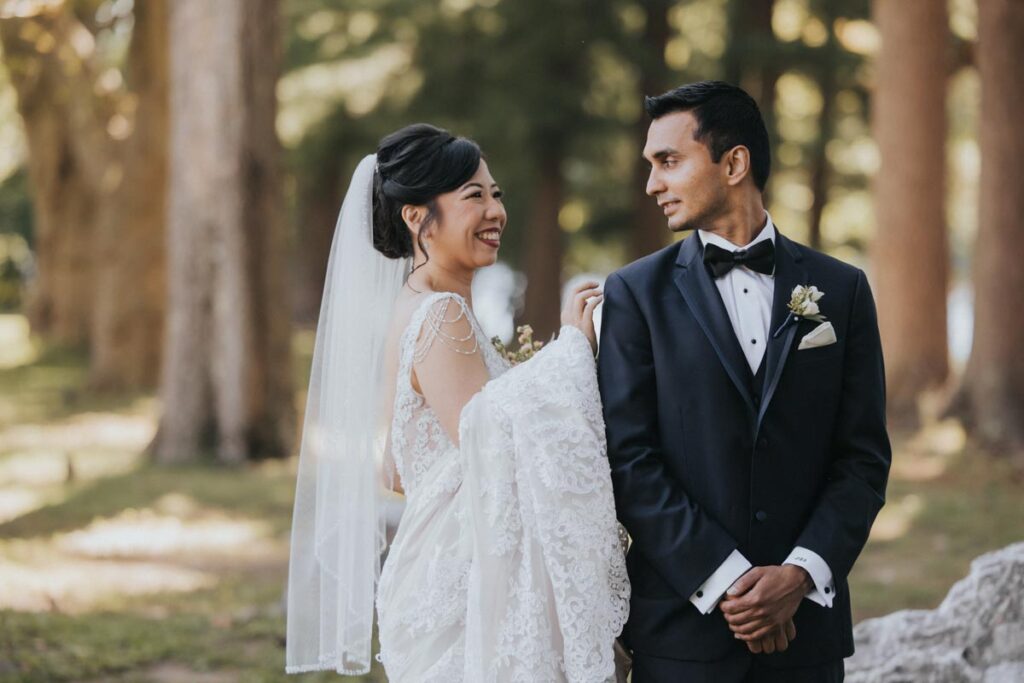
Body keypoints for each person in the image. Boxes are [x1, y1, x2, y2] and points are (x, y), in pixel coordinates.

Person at [285, 124, 629, 682]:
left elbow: (396, 469)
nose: (495, 211)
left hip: (437, 570)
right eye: (474, 196)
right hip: (462, 587)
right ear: (417, 217)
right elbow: (491, 444)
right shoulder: (440, 316)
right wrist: (571, 351)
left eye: (497, 194)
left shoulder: (417, 306)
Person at [598, 81, 891, 682]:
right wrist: (730, 579)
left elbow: (862, 459)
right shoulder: (633, 295)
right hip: (683, 636)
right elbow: (629, 461)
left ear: (734, 162)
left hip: (807, 636)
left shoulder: (844, 290)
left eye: (668, 162)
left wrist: (800, 574)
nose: (652, 184)